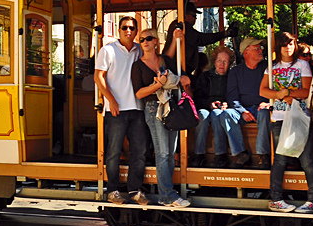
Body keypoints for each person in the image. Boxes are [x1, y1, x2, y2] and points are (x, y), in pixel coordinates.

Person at [259, 32, 313, 214]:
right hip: (278, 118)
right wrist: (278, 95)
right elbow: (263, 90)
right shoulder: (272, 67)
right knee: (280, 160)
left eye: (291, 44)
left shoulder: (302, 65)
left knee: (307, 159)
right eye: (285, 44)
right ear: (278, 47)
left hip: (299, 117)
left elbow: (306, 91)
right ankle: (276, 199)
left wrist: (287, 93)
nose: (288, 48)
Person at [132, 26, 191, 207]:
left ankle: (169, 195)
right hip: (153, 108)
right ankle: (167, 196)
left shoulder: (164, 60)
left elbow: (180, 76)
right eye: (141, 40)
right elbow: (139, 93)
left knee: (170, 153)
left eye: (148, 39)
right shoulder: (138, 66)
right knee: (163, 153)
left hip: (170, 107)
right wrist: (158, 85)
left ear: (156, 41)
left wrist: (181, 80)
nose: (144, 42)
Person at [94, 16, 147, 205]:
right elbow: (98, 77)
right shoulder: (108, 50)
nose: (128, 31)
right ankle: (113, 191)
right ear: (119, 29)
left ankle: (134, 190)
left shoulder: (139, 50)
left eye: (132, 28)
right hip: (116, 109)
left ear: (136, 31)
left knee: (139, 151)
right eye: (125, 27)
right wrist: (111, 100)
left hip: (137, 108)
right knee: (114, 152)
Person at [222, 37, 270, 169]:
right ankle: (241, 154)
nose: (261, 51)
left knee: (265, 113)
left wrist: (268, 103)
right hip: (243, 110)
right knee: (226, 114)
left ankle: (263, 155)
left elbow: (274, 90)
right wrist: (242, 111)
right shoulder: (235, 72)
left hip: (262, 108)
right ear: (246, 52)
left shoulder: (267, 68)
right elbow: (232, 97)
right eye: (257, 48)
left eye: (261, 48)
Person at [191, 46, 237, 168]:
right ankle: (199, 154)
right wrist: (209, 104)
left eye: (225, 62)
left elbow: (236, 96)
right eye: (219, 61)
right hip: (206, 107)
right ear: (214, 62)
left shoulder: (232, 77)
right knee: (202, 115)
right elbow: (197, 98)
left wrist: (228, 104)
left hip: (224, 109)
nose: (222, 64)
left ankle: (221, 155)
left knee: (217, 115)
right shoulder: (206, 76)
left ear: (230, 63)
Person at [164, 2, 239, 75]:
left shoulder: (180, 26)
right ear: (185, 15)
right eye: (193, 16)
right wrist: (224, 34)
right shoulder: (182, 27)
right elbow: (201, 38)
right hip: (177, 70)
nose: (195, 19)